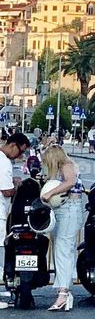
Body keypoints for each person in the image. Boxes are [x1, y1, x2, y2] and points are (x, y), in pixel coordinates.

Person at [40, 144, 84, 313]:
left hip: (69, 209)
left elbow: (70, 182)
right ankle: (63, 290)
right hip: (63, 210)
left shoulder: (67, 165)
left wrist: (50, 193)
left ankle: (63, 293)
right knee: (62, 249)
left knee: (63, 249)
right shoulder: (64, 166)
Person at [0, 131, 30, 306]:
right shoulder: (4, 162)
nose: (20, 156)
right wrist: (17, 185)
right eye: (20, 151)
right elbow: (6, 191)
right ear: (13, 145)